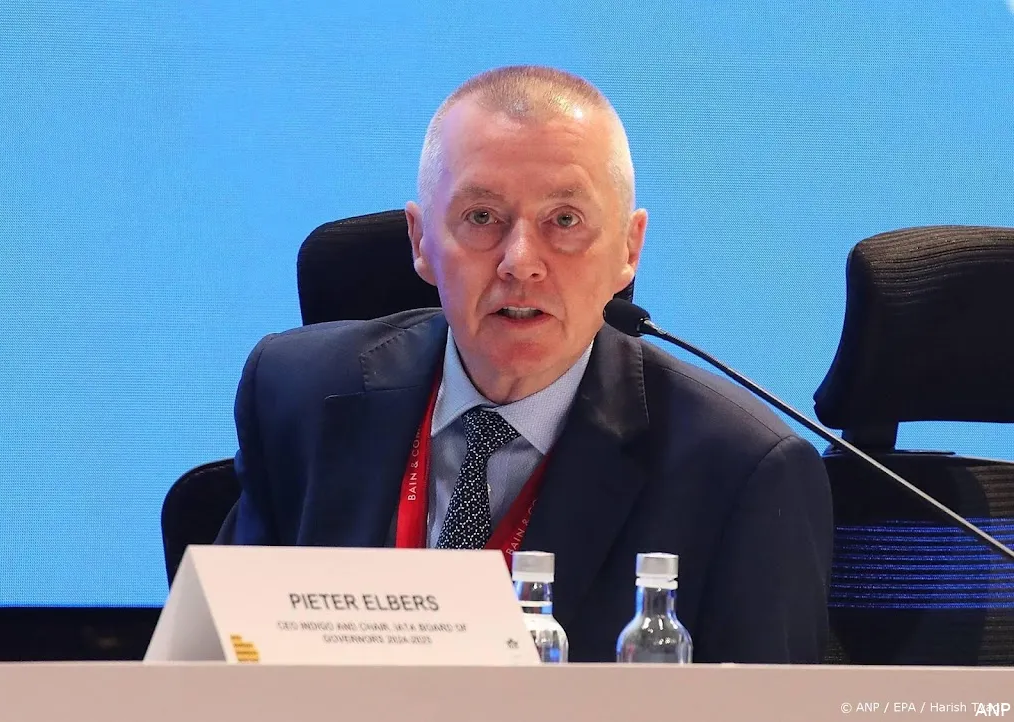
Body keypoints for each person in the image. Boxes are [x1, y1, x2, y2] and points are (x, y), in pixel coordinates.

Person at [215, 65, 834, 664]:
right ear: (421, 241)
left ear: (629, 248)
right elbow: (219, 666)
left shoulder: (740, 472)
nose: (520, 262)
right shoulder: (296, 396)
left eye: (564, 221)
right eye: (482, 218)